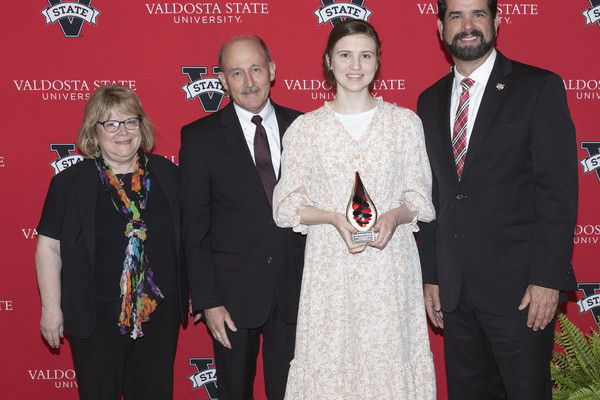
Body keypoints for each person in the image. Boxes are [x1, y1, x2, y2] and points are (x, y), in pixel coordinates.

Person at [416, 0, 578, 398]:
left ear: (497, 21)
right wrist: (431, 275)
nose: (467, 25)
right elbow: (433, 195)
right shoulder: (428, 100)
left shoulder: (538, 87)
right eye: (456, 15)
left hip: (521, 292)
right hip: (455, 292)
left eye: (478, 14)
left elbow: (558, 193)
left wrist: (547, 279)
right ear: (440, 27)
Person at [273, 19, 436, 399]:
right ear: (329, 61)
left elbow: (420, 199)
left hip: (389, 270)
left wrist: (395, 216)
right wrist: (332, 218)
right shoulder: (305, 129)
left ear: (378, 62)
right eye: (345, 55)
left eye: (366, 55)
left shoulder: (404, 124)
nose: (356, 65)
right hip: (331, 274)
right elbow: (285, 206)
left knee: (390, 362)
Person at [35, 84, 189, 399]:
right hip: (94, 315)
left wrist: (197, 289)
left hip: (159, 312)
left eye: (131, 121)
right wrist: (51, 308)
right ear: (95, 130)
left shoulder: (169, 175)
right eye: (112, 123)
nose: (123, 131)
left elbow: (191, 238)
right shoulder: (69, 183)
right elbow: (49, 247)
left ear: (142, 125)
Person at [179, 35, 306, 400]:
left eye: (255, 69)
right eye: (237, 73)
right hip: (231, 298)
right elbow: (194, 229)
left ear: (272, 70)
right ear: (222, 80)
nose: (249, 81)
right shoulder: (199, 138)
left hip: (297, 290)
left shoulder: (304, 128)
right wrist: (208, 300)